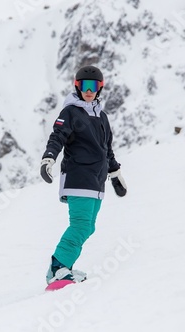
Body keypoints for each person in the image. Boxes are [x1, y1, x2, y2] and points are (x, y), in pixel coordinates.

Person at [40, 65, 127, 285]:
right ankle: (57, 268)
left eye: (94, 86)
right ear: (78, 87)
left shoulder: (102, 117)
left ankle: (65, 267)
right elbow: (57, 136)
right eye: (85, 86)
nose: (89, 90)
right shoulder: (70, 112)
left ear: (100, 89)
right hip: (78, 177)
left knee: (89, 227)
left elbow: (107, 149)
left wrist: (115, 173)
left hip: (96, 181)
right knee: (80, 225)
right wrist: (49, 157)